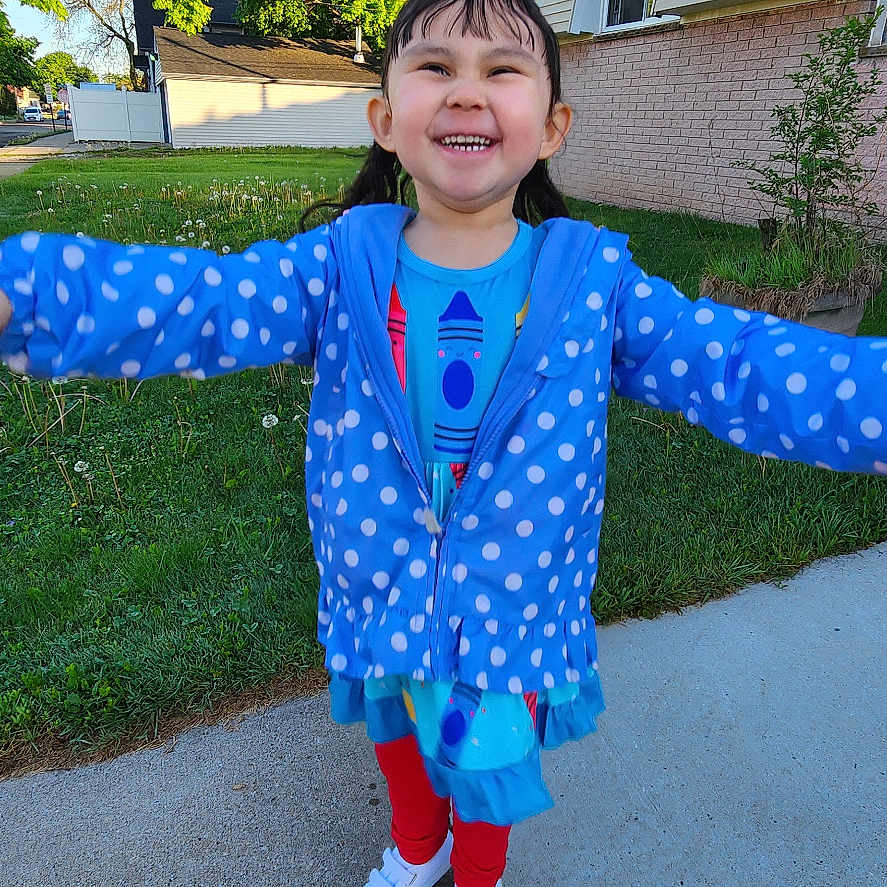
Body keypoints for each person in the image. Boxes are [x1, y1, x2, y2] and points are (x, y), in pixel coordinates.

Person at [1, 0, 886, 884]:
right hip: (381, 583)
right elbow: (202, 302)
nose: (466, 92)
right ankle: (417, 850)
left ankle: (476, 875)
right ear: (385, 120)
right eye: (434, 66)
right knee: (396, 735)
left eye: (501, 70)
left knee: (484, 766)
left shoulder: (593, 286)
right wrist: (28, 295)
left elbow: (733, 363)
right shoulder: (336, 269)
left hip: (508, 606)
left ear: (552, 127)